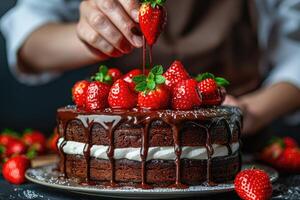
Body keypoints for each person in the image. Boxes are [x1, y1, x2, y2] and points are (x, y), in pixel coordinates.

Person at [1, 0, 300, 138]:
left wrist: (251, 111)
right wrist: (89, 38)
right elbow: (28, 44)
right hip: (119, 140)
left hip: (235, 142)